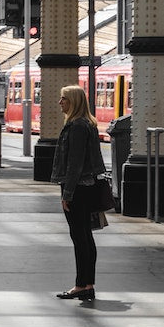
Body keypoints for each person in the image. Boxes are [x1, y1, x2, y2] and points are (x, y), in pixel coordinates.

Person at [50, 84, 107, 301]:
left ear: (73, 101)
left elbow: (74, 164)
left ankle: (81, 285)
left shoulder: (77, 127)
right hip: (87, 186)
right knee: (85, 237)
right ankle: (87, 284)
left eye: (63, 98)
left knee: (80, 237)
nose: (60, 102)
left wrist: (67, 194)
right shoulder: (87, 125)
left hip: (78, 189)